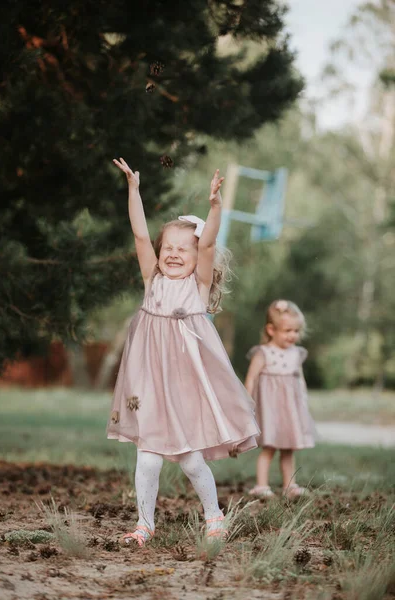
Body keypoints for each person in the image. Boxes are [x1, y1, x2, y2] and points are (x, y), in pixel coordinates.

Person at [108, 158, 259, 545]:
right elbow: (141, 237)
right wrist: (134, 190)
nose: (173, 254)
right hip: (151, 384)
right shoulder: (151, 280)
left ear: (196, 259)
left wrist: (214, 206)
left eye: (183, 249)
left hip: (187, 385)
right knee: (147, 456)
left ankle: (214, 518)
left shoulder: (198, 287)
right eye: (168, 248)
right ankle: (144, 525)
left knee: (191, 458)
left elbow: (207, 241)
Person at [244, 299, 315, 500]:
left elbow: (299, 380)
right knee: (269, 447)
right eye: (288, 330)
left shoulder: (296, 354)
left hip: (290, 409)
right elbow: (251, 378)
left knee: (288, 448)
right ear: (271, 329)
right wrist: (247, 402)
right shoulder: (263, 353)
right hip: (269, 409)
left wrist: (303, 401)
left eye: (296, 331)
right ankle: (261, 485)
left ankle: (290, 485)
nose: (293, 335)